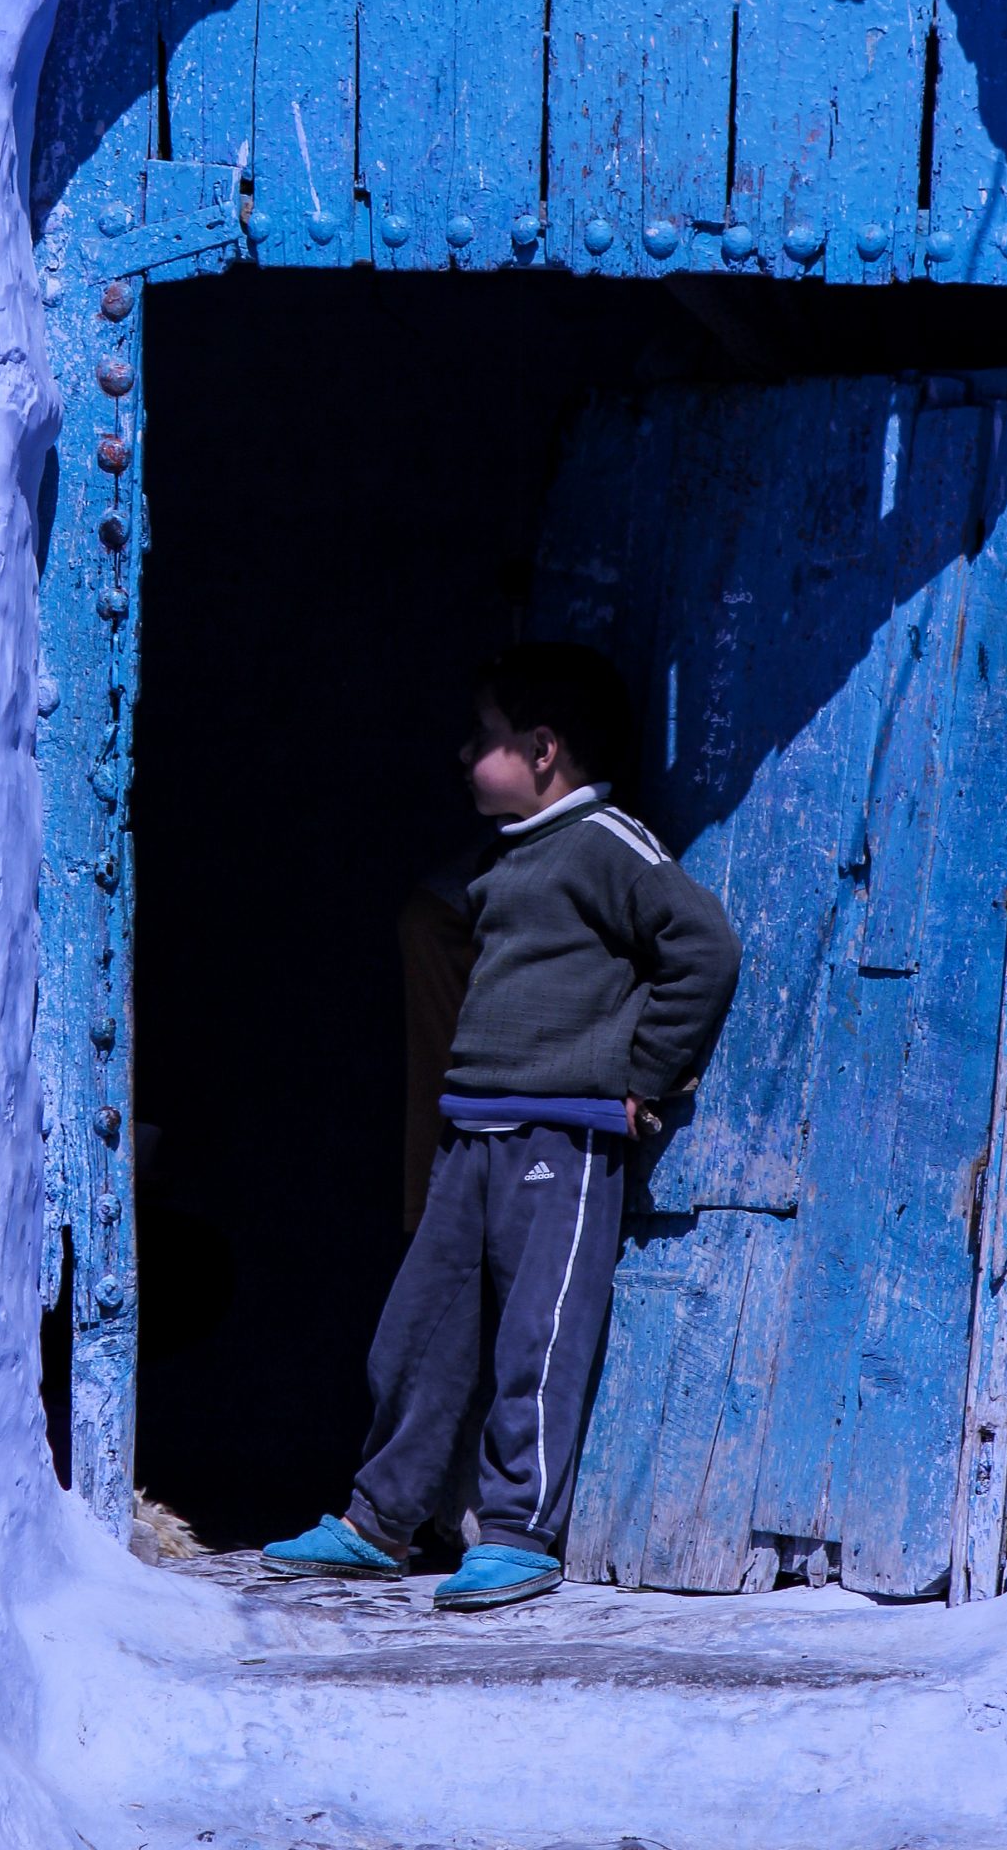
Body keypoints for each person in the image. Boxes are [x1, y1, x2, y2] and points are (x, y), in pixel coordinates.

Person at [262, 641, 741, 1611]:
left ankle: (519, 1532)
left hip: (559, 1140)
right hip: (469, 1134)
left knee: (538, 1337)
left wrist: (642, 1075)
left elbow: (705, 944)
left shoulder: (609, 843)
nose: (459, 753)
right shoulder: (503, 860)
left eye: (479, 737)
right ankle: (377, 1517)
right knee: (417, 1332)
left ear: (541, 750)